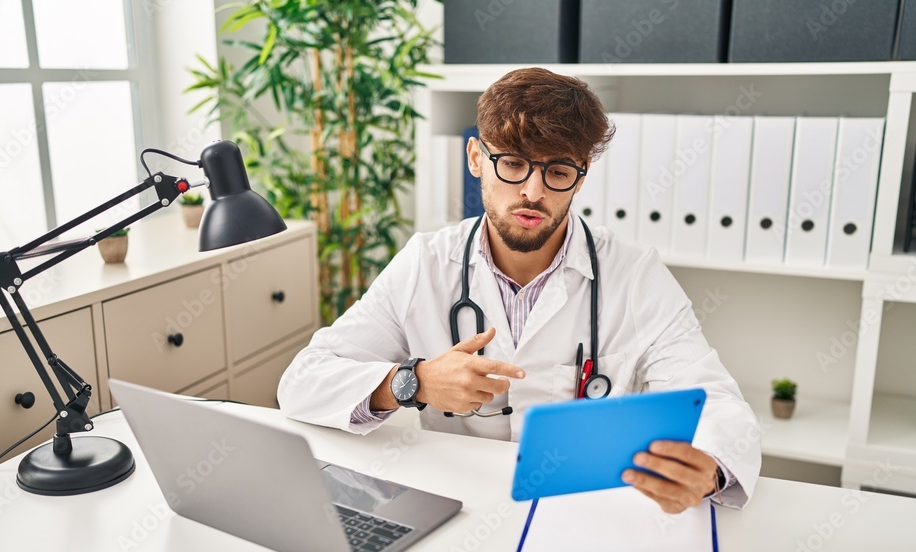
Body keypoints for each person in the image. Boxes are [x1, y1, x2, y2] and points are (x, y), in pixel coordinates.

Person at [278, 67, 761, 513]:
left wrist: (710, 468)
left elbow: (717, 402)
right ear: (475, 158)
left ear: (581, 176)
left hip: (586, 510)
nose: (533, 191)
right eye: (512, 163)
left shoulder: (634, 274)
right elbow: (303, 382)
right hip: (459, 507)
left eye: (557, 171)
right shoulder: (425, 262)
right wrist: (413, 381)